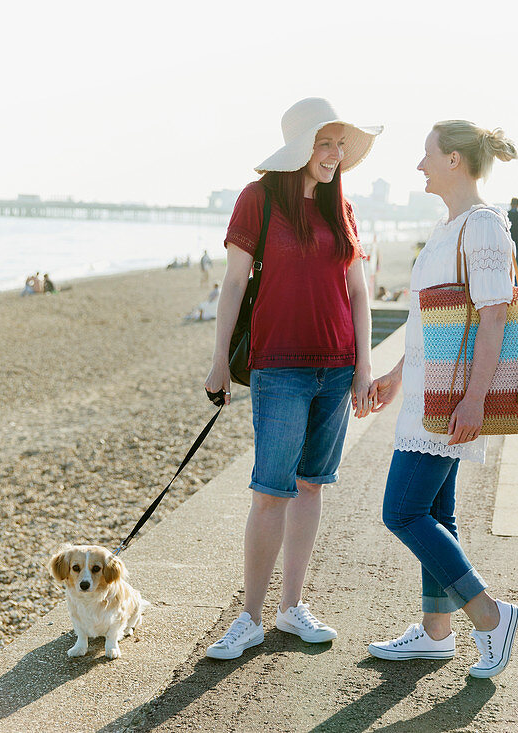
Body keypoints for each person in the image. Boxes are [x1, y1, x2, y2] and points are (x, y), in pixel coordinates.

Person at [203, 97, 382, 660]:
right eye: (324, 144)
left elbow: (358, 291)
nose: (334, 156)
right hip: (277, 365)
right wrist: (216, 362)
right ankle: (250, 617)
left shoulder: (340, 206)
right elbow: (233, 284)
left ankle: (291, 608)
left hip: (336, 366)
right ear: (300, 146)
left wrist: (365, 366)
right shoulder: (257, 200)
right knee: (269, 491)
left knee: (311, 486)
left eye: (339, 146)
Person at [366, 120, 518, 679]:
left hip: (453, 397)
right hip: (429, 394)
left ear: (455, 160)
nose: (420, 165)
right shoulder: (449, 227)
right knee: (434, 512)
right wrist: (396, 376)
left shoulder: (482, 227)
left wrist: (476, 399)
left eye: (427, 154)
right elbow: (435, 323)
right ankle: (436, 634)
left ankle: (490, 615)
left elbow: (495, 315)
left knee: (402, 511)